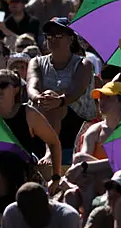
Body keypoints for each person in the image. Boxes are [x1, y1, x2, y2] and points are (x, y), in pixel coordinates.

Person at [27, 17, 95, 145]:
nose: (53, 39)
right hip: (42, 113)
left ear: (71, 38)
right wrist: (38, 98)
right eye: (49, 35)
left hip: (75, 122)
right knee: (47, 99)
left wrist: (59, 100)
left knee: (55, 103)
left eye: (58, 34)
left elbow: (76, 91)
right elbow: (32, 86)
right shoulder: (36, 62)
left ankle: (50, 149)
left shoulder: (83, 64)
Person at [0, 69, 61, 179]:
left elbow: (53, 142)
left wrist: (56, 176)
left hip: (22, 178)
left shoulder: (29, 114)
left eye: (3, 85)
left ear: (16, 89)